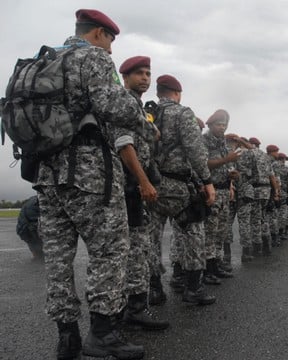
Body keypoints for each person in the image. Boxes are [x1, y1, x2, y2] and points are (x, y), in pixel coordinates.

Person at [34, 9, 148, 359]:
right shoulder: (92, 57)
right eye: (110, 41)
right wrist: (142, 116)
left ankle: (66, 336)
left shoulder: (44, 61)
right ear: (99, 33)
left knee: (57, 259)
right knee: (110, 250)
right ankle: (102, 333)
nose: (112, 52)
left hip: (46, 175)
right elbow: (111, 105)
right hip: (88, 172)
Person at [147, 74, 216, 306]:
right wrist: (207, 181)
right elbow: (196, 152)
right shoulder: (183, 113)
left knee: (151, 238)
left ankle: (154, 289)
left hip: (151, 185)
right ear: (177, 93)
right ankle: (193, 287)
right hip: (177, 187)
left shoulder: (148, 115)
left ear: (158, 93)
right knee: (194, 232)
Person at [117, 56, 169, 331]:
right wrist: (144, 181)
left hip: (136, 186)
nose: (145, 78)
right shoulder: (125, 103)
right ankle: (132, 311)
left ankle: (135, 307)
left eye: (148, 73)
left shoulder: (136, 106)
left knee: (138, 247)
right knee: (134, 249)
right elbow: (124, 145)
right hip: (131, 187)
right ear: (124, 77)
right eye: (139, 73)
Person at [202, 109, 239, 284]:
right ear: (210, 125)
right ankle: (207, 268)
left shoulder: (222, 143)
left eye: (224, 124)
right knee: (210, 231)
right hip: (212, 190)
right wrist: (225, 160)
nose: (222, 128)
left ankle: (216, 263)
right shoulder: (204, 140)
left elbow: (225, 164)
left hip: (224, 190)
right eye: (219, 124)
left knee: (221, 231)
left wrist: (231, 176)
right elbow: (203, 165)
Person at [16, 195, 43, 261]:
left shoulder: (33, 201)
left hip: (24, 229)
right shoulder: (34, 205)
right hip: (27, 229)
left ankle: (38, 255)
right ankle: (38, 256)